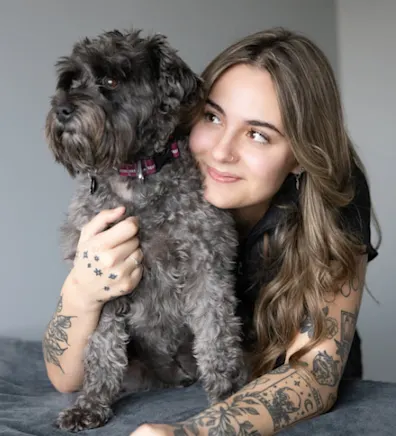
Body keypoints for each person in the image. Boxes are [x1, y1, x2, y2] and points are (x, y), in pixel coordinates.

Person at [43, 27, 380, 435]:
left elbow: (314, 376)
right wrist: (83, 288)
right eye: (212, 116)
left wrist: (192, 432)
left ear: (301, 155)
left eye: (258, 134)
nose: (221, 151)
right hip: (166, 375)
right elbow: (65, 379)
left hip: (279, 383)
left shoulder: (335, 196)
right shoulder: (154, 147)